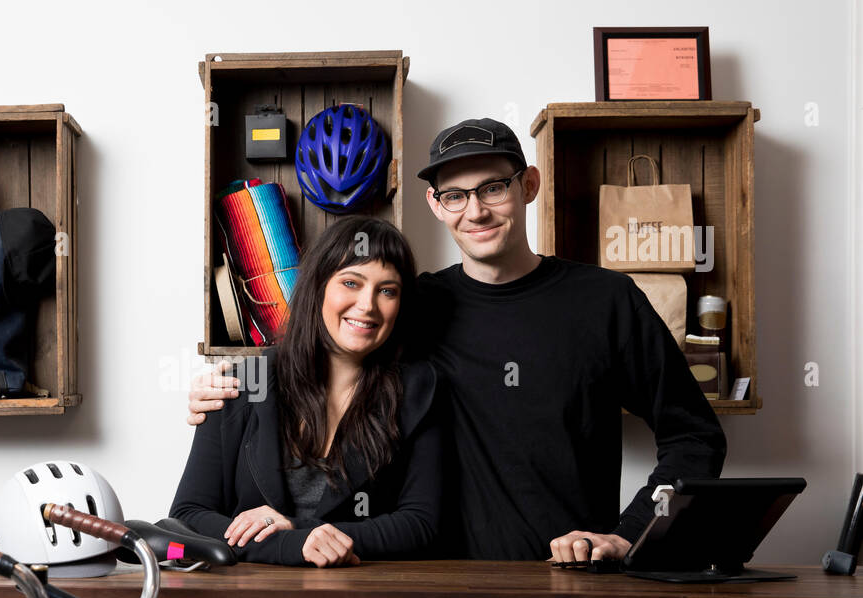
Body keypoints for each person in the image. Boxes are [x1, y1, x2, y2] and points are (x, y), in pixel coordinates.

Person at [188, 117, 726, 563]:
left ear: (528, 186)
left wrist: (631, 534)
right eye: (455, 195)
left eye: (493, 187)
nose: (476, 210)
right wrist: (227, 390)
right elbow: (327, 347)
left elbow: (694, 437)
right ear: (435, 204)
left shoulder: (606, 302)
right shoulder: (414, 305)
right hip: (435, 582)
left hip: (572, 578)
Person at [170, 217, 450, 567]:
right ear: (318, 287)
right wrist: (291, 545)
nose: (367, 305)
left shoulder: (418, 390)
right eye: (351, 282)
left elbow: (421, 525)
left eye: (387, 290)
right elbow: (186, 518)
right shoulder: (246, 380)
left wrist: (302, 528)